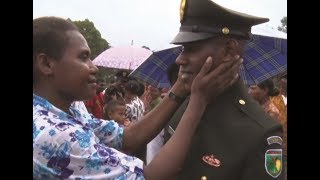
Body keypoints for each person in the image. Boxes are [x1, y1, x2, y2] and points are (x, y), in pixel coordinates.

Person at [33, 16, 242, 179]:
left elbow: (127, 138)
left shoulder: (71, 106)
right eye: (83, 57)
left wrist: (181, 86)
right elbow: (149, 176)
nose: (93, 66)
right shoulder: (52, 135)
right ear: (46, 64)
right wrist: (198, 101)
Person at [163, 0, 284, 179]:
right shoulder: (182, 106)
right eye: (182, 49)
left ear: (229, 50)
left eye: (191, 49)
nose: (180, 59)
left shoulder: (261, 132)